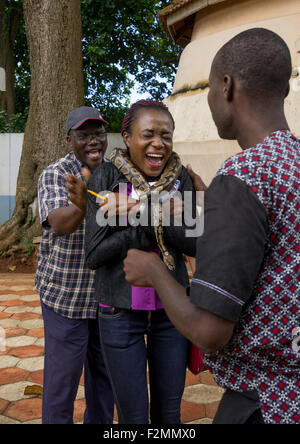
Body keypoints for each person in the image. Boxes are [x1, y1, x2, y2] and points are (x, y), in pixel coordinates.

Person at [123, 29, 300, 425]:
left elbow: (209, 331)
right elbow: (265, 251)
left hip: (266, 401)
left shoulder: (245, 173)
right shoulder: (293, 161)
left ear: (225, 86)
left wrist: (153, 272)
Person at [85, 100, 198, 424]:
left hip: (172, 313)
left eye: (166, 135)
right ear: (128, 137)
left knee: (168, 414)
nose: (158, 144)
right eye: (148, 134)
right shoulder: (105, 178)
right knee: (132, 417)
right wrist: (155, 220)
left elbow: (196, 243)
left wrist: (135, 212)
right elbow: (94, 255)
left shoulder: (181, 180)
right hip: (119, 314)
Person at [36, 106, 114, 424]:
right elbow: (59, 223)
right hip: (65, 296)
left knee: (105, 380)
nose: (93, 141)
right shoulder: (56, 174)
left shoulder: (116, 173)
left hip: (107, 298)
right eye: (84, 135)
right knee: (61, 384)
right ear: (70, 140)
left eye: (97, 134)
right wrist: (83, 203)